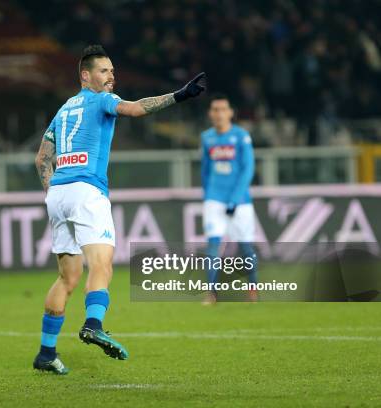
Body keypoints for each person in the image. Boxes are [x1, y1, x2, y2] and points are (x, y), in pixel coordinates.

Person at [33, 44, 206, 374]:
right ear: (86, 76)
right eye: (103, 71)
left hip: (58, 193)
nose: (111, 76)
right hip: (87, 192)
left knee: (67, 278)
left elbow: (42, 158)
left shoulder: (63, 109)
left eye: (112, 71)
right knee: (103, 263)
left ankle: (45, 354)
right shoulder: (101, 100)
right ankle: (94, 324)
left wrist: (53, 194)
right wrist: (180, 95)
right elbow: (138, 108)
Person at [200, 94, 258, 305]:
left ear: (231, 113)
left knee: (245, 248)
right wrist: (207, 194)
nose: (219, 114)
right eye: (215, 110)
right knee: (213, 246)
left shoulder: (241, 136)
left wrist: (234, 199)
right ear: (210, 114)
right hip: (215, 199)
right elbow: (205, 169)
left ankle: (252, 287)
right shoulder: (207, 137)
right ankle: (212, 294)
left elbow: (247, 169)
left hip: (240, 200)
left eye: (223, 109)